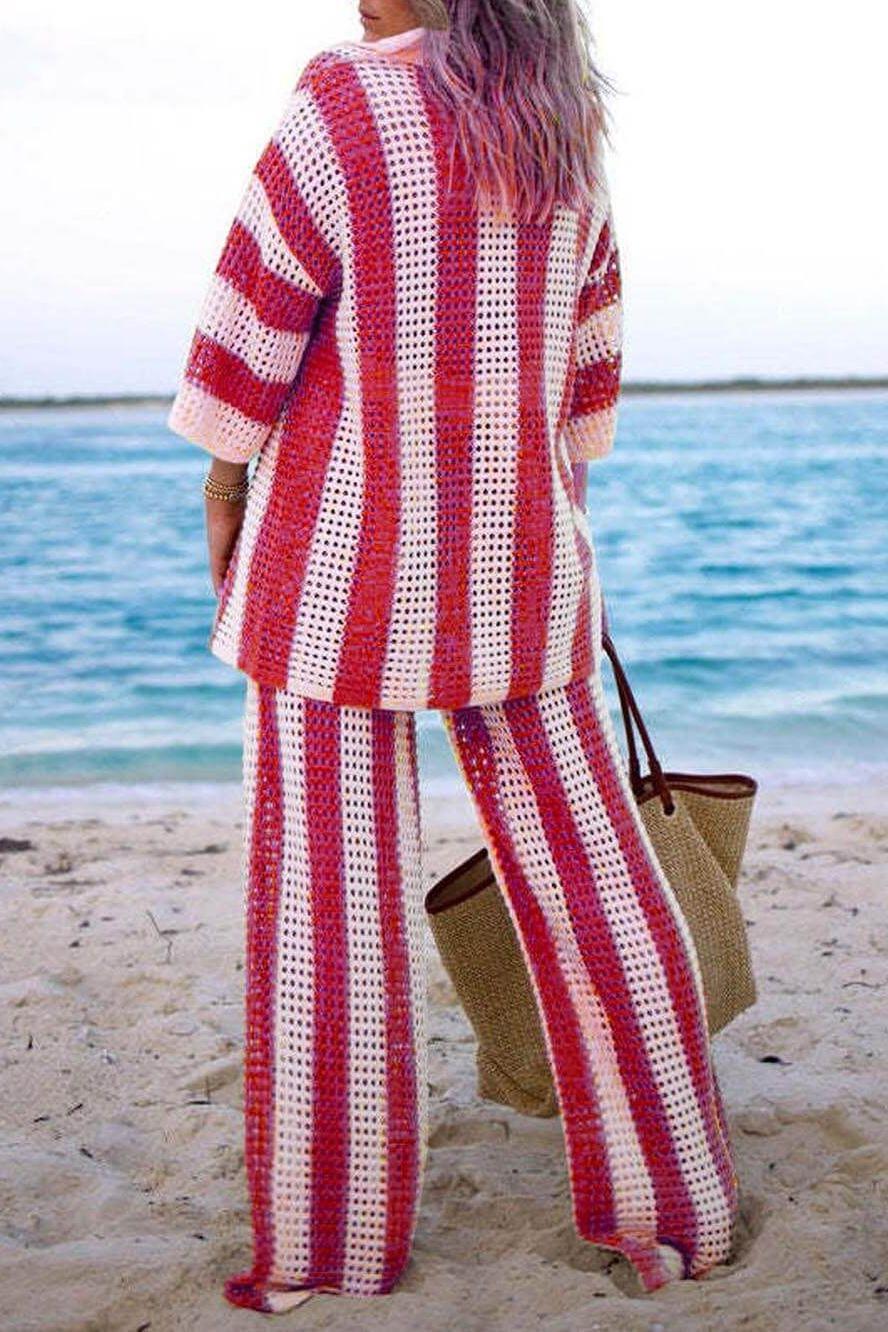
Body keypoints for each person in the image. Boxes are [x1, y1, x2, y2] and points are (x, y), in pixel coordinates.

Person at [167, 0, 739, 1313]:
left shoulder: (343, 101)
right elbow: (589, 380)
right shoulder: (560, 118)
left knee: (327, 911)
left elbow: (251, 327)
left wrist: (221, 492)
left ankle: (332, 1246)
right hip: (524, 567)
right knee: (600, 885)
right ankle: (680, 1213)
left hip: (333, 565)